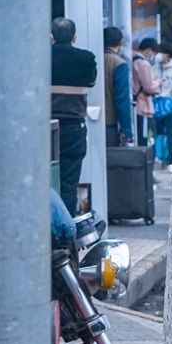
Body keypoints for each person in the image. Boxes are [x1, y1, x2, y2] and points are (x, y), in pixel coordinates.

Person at [51, 17, 99, 213]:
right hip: (74, 127)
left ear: (51, 37)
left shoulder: (39, 58)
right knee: (69, 183)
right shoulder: (86, 59)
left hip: (45, 128)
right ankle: (66, 231)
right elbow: (92, 82)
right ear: (74, 37)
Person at [103, 26, 133, 146]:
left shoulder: (94, 59)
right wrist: (126, 130)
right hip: (110, 123)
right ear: (121, 42)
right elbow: (122, 99)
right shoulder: (119, 64)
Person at [131, 37, 162, 146]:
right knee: (146, 139)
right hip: (143, 106)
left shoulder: (131, 59)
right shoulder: (144, 64)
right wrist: (158, 82)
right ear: (148, 50)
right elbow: (149, 87)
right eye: (153, 52)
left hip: (134, 104)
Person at [153, 41, 172, 166]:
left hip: (170, 103)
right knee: (157, 132)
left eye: (162, 53)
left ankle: (171, 160)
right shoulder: (155, 66)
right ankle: (158, 156)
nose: (159, 55)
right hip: (157, 102)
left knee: (170, 132)